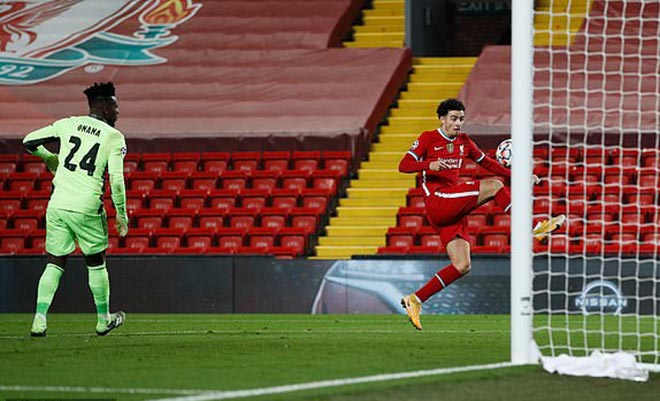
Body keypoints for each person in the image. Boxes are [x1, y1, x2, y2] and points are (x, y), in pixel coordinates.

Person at [398, 98, 565, 330]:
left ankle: (415, 299)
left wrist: (520, 177)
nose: (458, 124)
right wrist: (428, 165)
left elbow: (488, 163)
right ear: (442, 118)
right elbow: (404, 165)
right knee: (495, 186)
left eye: (461, 119)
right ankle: (534, 228)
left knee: (462, 265)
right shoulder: (428, 138)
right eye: (454, 119)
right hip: (439, 200)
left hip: (452, 210)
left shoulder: (464, 142)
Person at [23, 82, 128, 337]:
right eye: (114, 106)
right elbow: (116, 180)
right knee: (95, 262)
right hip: (86, 205)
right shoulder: (113, 137)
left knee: (55, 262)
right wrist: (121, 215)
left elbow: (29, 141)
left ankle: (39, 319)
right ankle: (103, 320)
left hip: (58, 204)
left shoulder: (68, 123)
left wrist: (49, 157)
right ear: (102, 106)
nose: (118, 111)